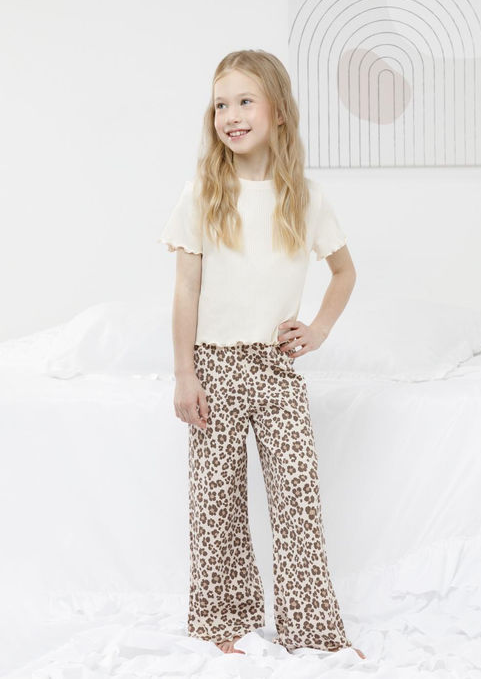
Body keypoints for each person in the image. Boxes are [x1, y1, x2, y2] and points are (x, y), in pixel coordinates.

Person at [158, 49, 365, 659]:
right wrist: (184, 374)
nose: (231, 115)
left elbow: (345, 272)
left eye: (245, 101)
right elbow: (186, 290)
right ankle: (220, 623)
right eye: (221, 104)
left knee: (298, 502)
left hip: (275, 368)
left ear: (278, 111)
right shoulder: (202, 194)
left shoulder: (306, 198)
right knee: (216, 503)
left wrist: (318, 329)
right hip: (214, 367)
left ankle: (313, 630)